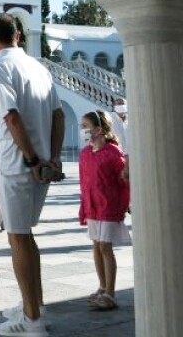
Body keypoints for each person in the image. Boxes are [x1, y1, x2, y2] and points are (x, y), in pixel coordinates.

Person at [0, 13, 64, 337]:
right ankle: (34, 305)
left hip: (19, 164)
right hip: (41, 164)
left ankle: (32, 322)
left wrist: (31, 159)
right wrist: (53, 158)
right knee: (26, 237)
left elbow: (12, 118)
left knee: (17, 238)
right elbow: (58, 115)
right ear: (18, 35)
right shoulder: (38, 67)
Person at [77, 110, 129, 313]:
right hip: (92, 207)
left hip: (109, 206)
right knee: (97, 246)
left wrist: (126, 201)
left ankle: (110, 293)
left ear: (98, 130)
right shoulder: (85, 154)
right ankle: (102, 285)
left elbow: (123, 179)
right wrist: (84, 206)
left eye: (85, 126)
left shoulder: (113, 152)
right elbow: (84, 183)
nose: (82, 130)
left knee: (105, 247)